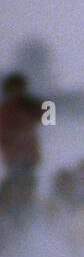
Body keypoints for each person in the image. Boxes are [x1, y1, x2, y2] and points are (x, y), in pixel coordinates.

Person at [0, 72, 43, 215]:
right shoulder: (6, 109)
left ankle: (25, 212)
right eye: (14, 89)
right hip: (14, 156)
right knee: (16, 185)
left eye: (19, 88)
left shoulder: (29, 106)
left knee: (27, 185)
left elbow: (48, 117)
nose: (17, 92)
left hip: (29, 156)